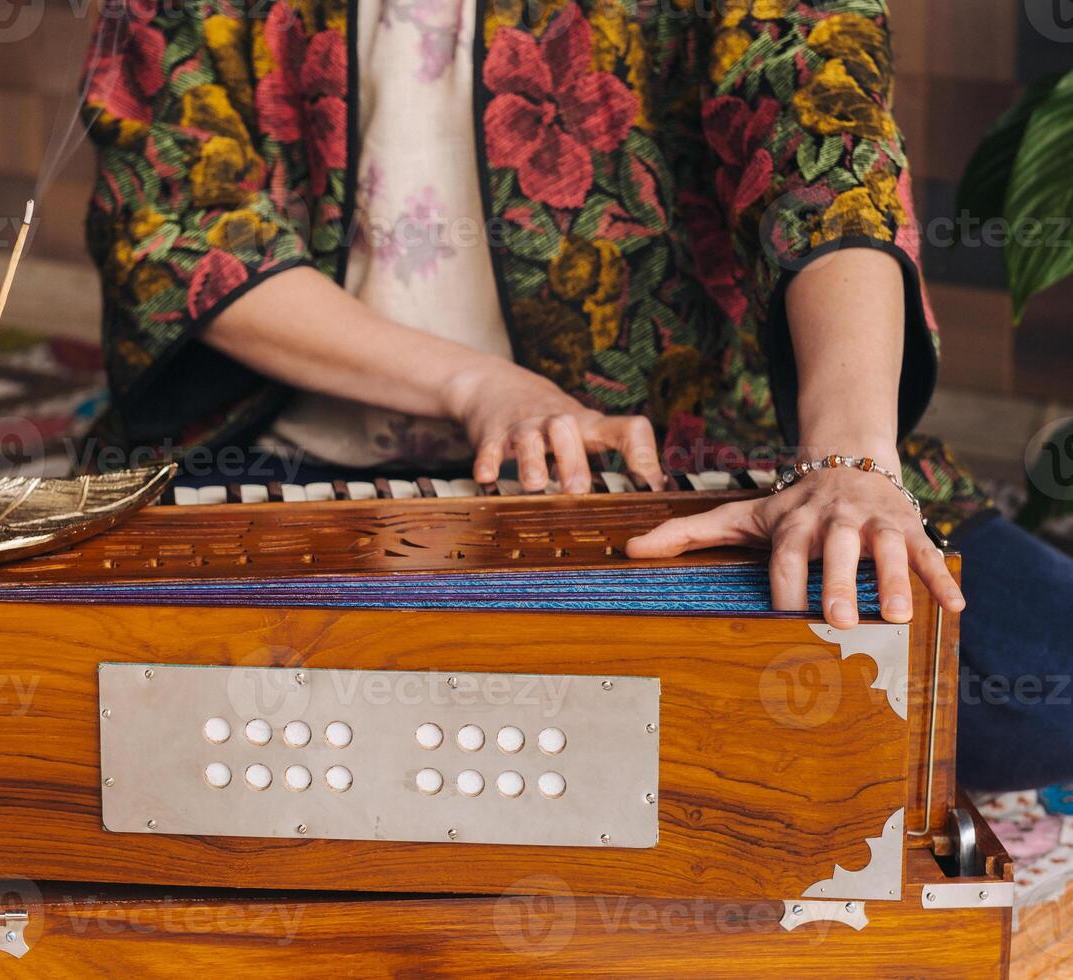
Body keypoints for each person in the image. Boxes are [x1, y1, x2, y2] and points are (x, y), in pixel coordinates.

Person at [80, 0, 1072, 792]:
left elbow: (828, 152)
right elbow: (180, 224)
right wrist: (479, 385)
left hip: (683, 460)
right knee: (56, 690)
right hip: (295, 447)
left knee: (1041, 688)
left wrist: (847, 463)